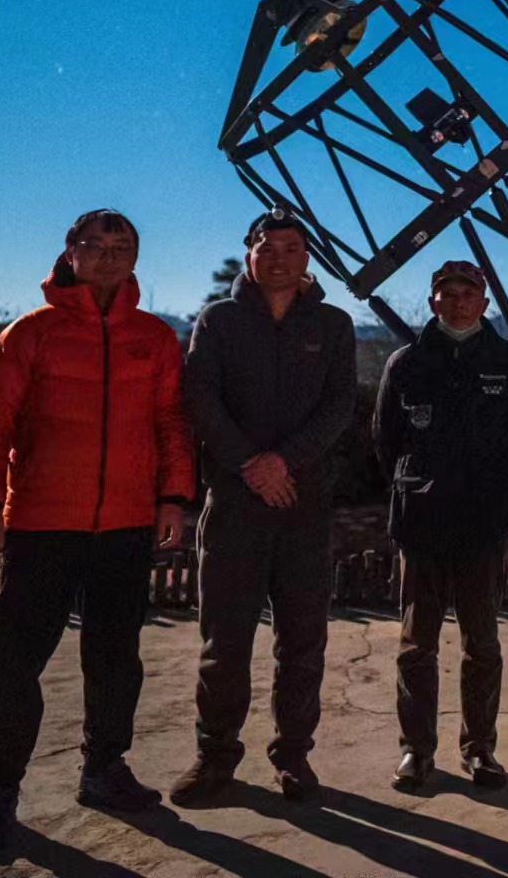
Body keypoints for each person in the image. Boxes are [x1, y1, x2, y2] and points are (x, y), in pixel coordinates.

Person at [0, 209, 194, 859]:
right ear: (70, 253)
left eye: (124, 246)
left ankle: (104, 770)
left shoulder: (155, 338)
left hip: (127, 524)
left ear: (136, 258)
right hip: (42, 524)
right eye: (98, 245)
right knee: (15, 665)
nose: (111, 256)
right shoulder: (30, 333)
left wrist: (172, 498)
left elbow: (171, 422)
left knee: (116, 658)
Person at [170, 210, 357, 806]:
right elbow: (200, 398)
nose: (278, 258)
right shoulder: (219, 321)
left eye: (291, 248)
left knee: (302, 642)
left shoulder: (332, 325)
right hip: (234, 506)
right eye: (266, 247)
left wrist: (283, 462)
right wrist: (251, 464)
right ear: (249, 254)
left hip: (304, 506)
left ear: (307, 258)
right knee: (224, 643)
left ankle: (293, 756)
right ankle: (214, 757)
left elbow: (339, 407)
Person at [376, 260, 508, 791]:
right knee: (417, 645)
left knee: (482, 643)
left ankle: (480, 750)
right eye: (447, 294)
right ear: (432, 301)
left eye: (467, 294)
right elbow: (386, 441)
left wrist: (507, 499)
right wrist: (413, 486)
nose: (457, 303)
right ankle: (416, 751)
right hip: (423, 522)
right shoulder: (406, 364)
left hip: (482, 524)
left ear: (484, 302)